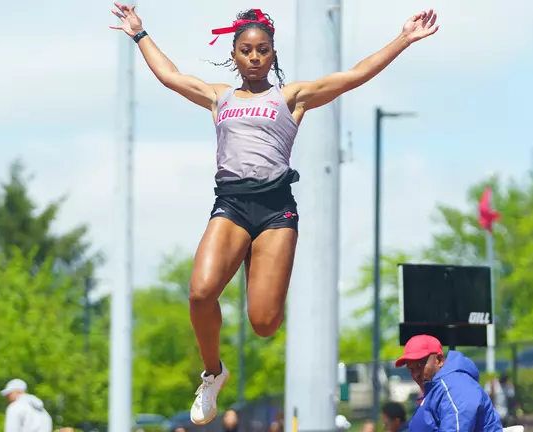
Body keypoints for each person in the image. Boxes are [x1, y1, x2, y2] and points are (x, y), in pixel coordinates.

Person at [109, 3, 440, 425]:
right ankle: (213, 373)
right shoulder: (219, 97)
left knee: (264, 324)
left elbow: (353, 77)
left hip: (275, 210)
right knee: (199, 293)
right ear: (234, 54)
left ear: (272, 54)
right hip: (231, 204)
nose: (253, 57)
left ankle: (256, 262)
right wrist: (140, 34)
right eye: (245, 50)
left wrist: (403, 39)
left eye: (262, 50)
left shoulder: (291, 97)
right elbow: (171, 76)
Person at [396, 335, 503, 431]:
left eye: (420, 366)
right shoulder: (438, 389)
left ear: (439, 359)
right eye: (411, 369)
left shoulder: (455, 386)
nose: (415, 375)